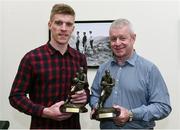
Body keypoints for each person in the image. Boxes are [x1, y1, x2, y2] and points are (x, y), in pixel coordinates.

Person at [9, 3, 89, 129]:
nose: (63, 28)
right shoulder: (32, 58)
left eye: (68, 24)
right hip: (42, 126)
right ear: (50, 25)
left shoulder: (80, 58)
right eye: (58, 23)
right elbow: (15, 97)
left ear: (73, 29)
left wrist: (84, 97)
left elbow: (85, 91)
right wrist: (45, 112)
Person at [89, 18, 171, 129]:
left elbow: (163, 107)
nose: (117, 43)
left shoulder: (149, 69)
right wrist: (95, 107)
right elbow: (95, 95)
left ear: (133, 38)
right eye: (113, 39)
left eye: (122, 38)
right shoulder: (103, 69)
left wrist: (131, 114)